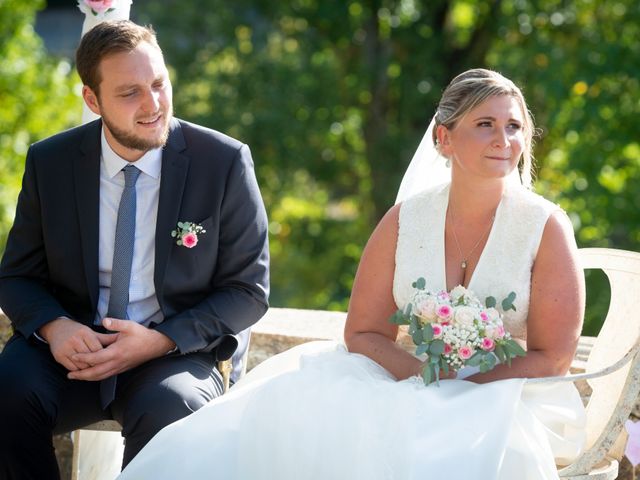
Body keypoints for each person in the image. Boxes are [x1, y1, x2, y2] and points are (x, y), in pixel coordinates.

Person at [118, 69, 586, 480]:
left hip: (510, 397)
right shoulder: (406, 219)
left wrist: (462, 387)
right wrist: (427, 377)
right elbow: (363, 331)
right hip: (412, 381)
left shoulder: (544, 227)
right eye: (486, 125)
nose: (504, 140)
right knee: (301, 415)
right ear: (444, 138)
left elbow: (553, 358)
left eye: (514, 126)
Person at [0, 20, 269, 479]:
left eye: (160, 85)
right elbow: (16, 275)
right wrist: (54, 326)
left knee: (175, 411)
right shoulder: (51, 162)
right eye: (130, 93)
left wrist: (160, 341)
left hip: (172, 352)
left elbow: (248, 290)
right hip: (73, 349)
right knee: (6, 392)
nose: (153, 105)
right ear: (92, 99)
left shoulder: (223, 162)